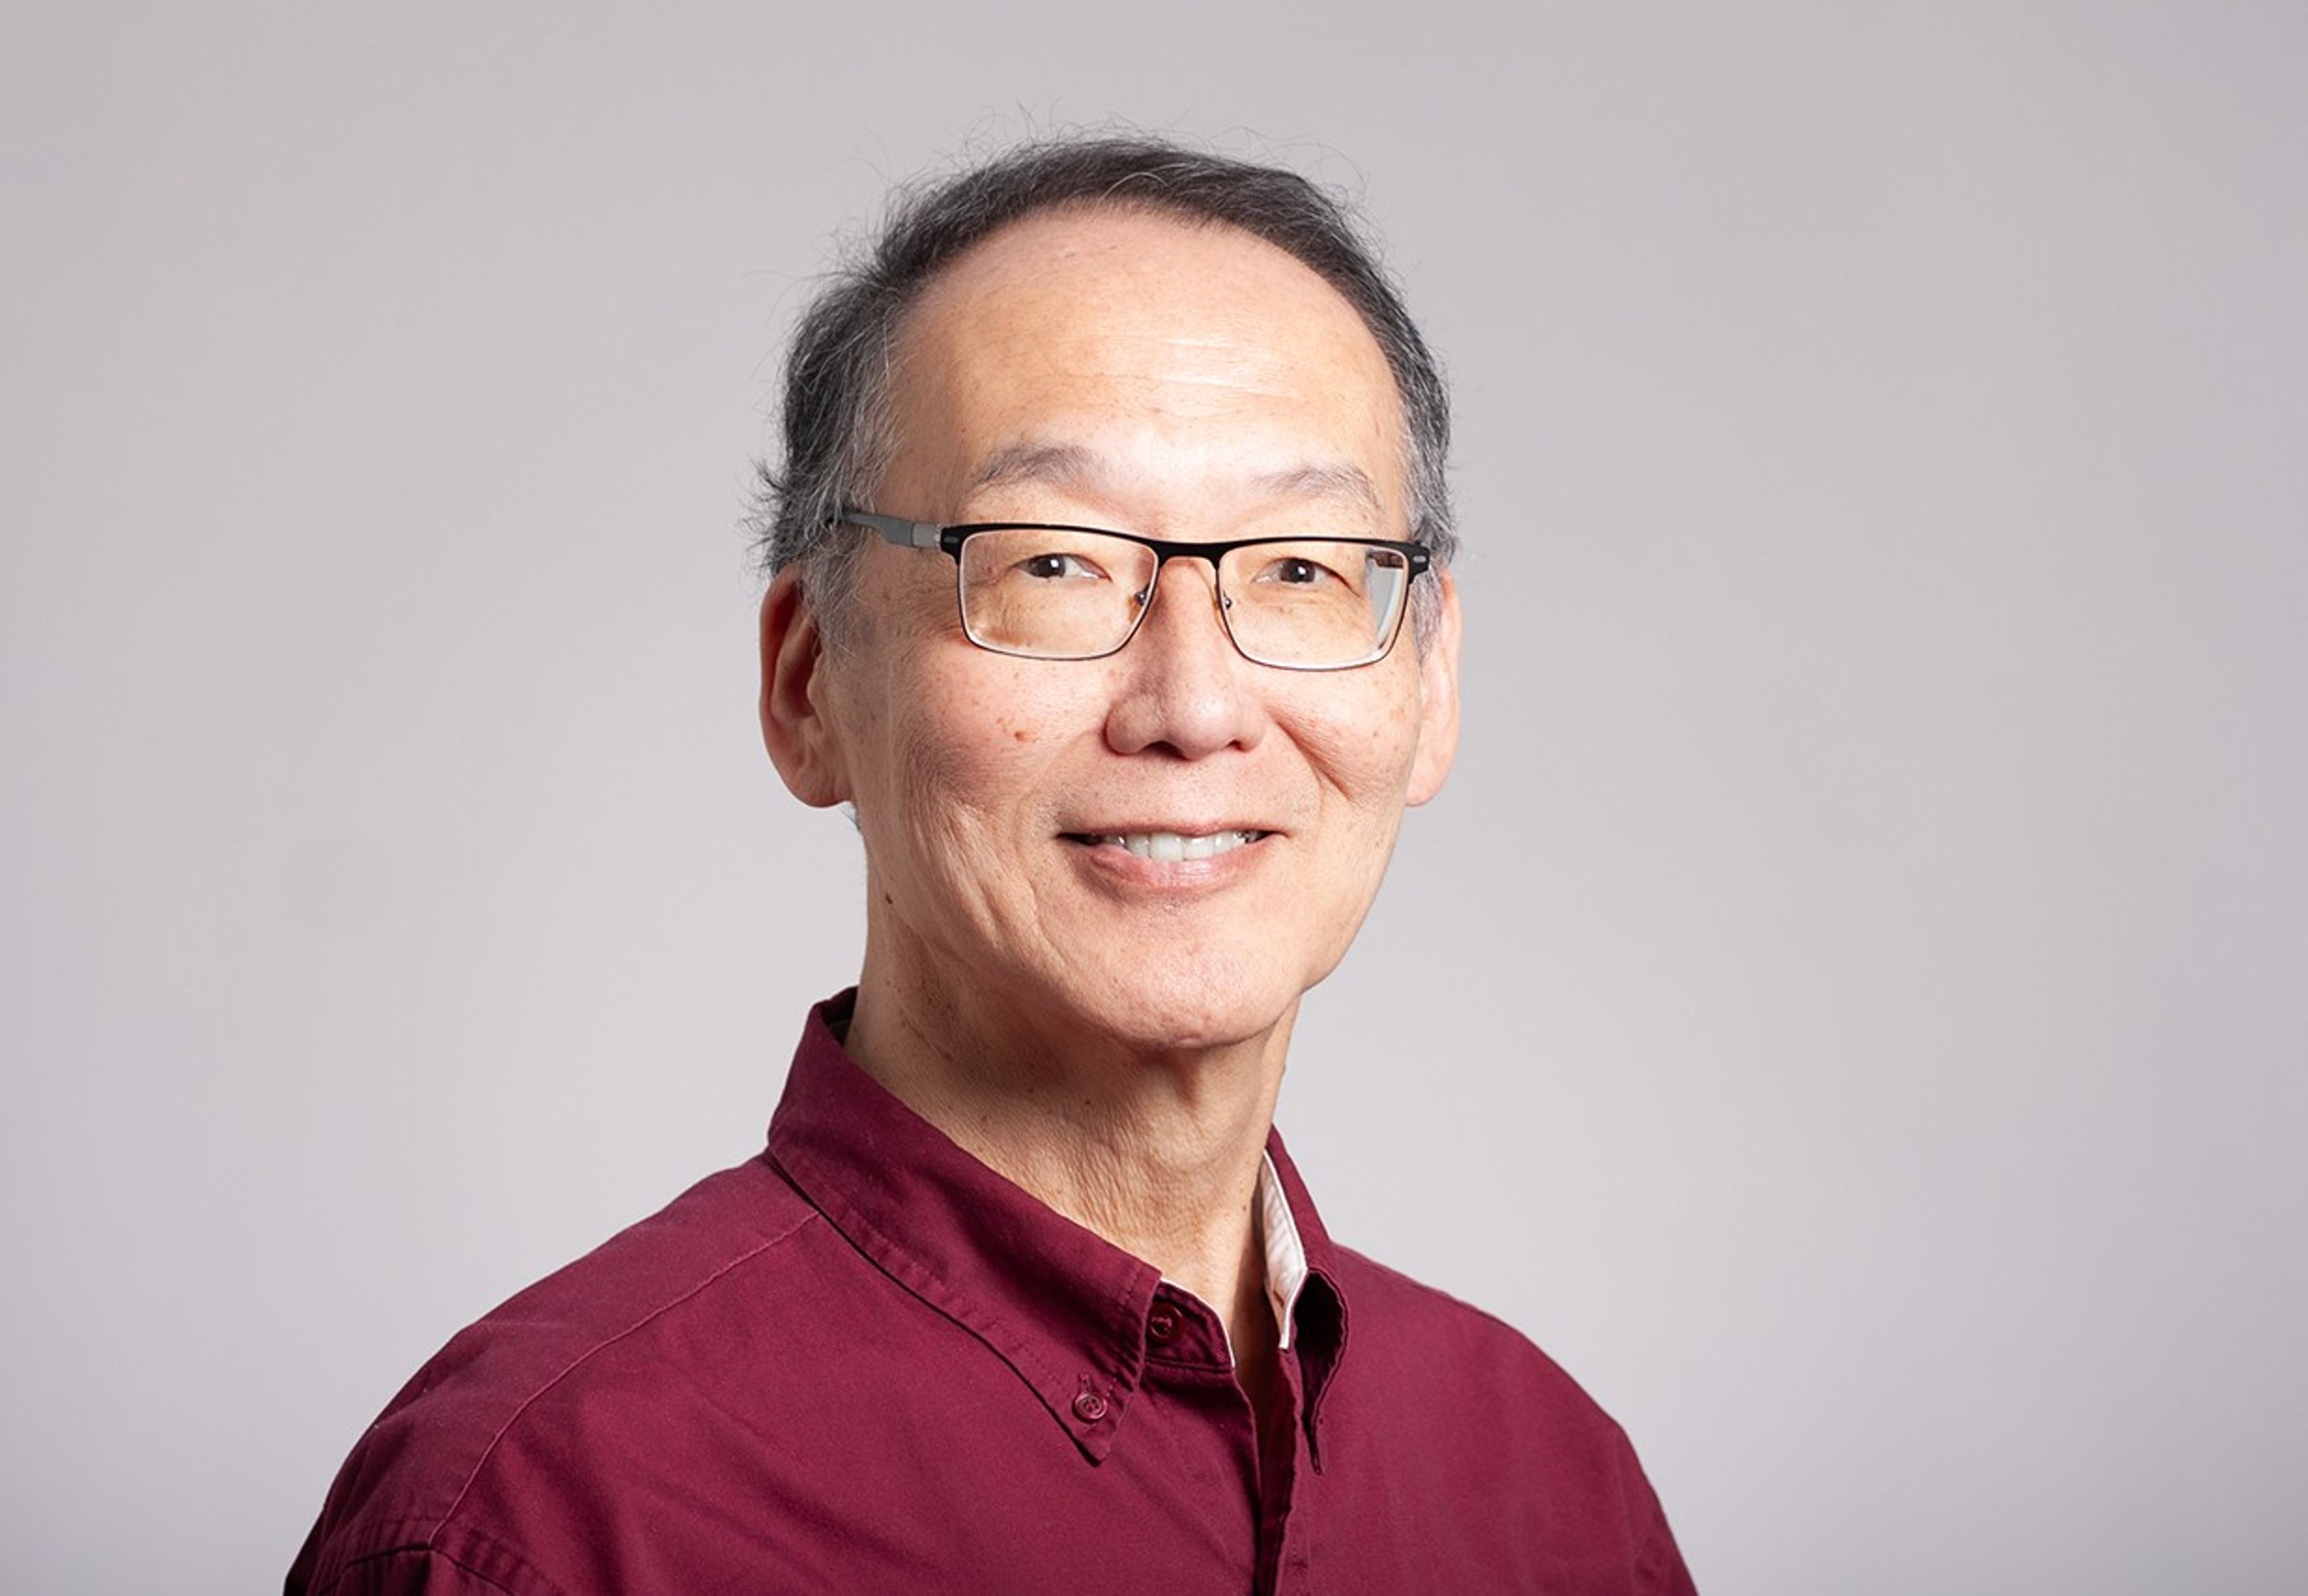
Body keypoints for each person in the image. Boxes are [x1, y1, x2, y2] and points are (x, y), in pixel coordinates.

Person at [287, 135, 1694, 1595]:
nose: (1195, 709)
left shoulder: (1547, 1487)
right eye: (1052, 563)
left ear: (1430, 685)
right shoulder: (545, 1520)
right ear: (809, 681)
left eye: (1299, 567)